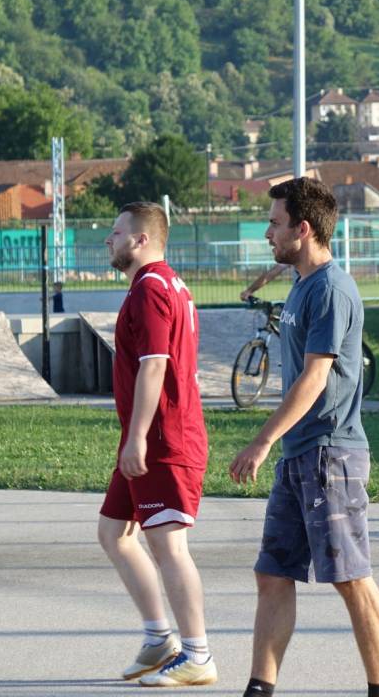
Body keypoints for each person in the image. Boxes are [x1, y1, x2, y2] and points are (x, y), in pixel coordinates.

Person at [229, 178, 379, 697]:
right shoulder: (302, 283)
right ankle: (260, 688)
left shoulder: (330, 290)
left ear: (302, 229)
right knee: (273, 573)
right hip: (300, 453)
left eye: (275, 223)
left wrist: (262, 441)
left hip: (331, 454)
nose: (267, 232)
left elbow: (315, 377)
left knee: (350, 577)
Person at [97, 201, 217, 687]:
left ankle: (198, 655)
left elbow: (155, 365)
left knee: (169, 546)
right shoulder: (166, 284)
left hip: (164, 440)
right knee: (114, 533)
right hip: (151, 437)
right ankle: (158, 638)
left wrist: (137, 438)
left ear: (141, 239)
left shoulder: (150, 289)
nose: (109, 239)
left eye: (116, 231)